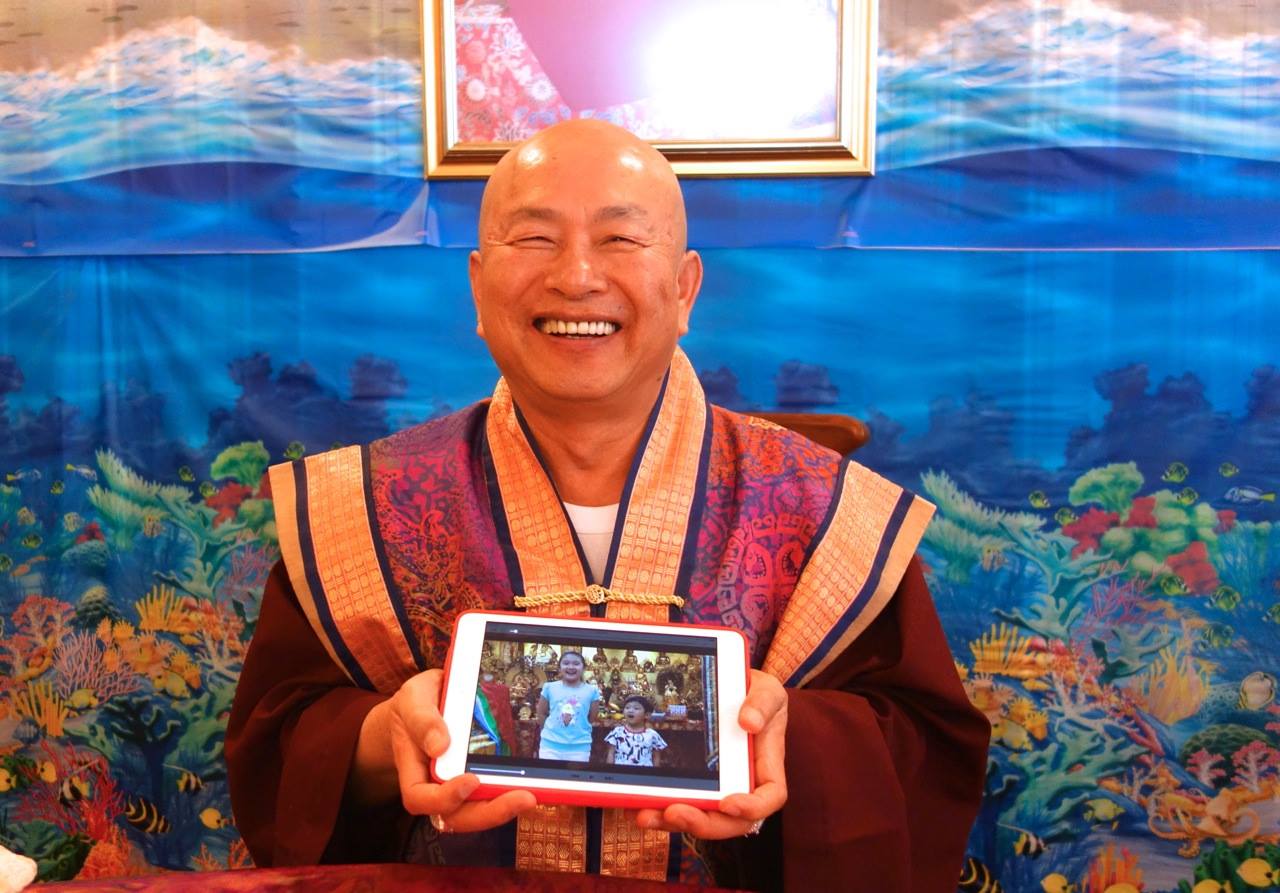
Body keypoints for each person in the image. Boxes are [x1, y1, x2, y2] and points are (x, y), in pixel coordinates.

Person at [226, 118, 990, 890]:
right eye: (535, 238)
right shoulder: (363, 508)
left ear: (685, 288)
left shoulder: (820, 509)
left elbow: (925, 757)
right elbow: (277, 748)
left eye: (620, 238)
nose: (577, 276)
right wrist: (380, 735)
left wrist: (786, 739)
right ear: (478, 287)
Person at [534, 651, 600, 761]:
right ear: (559, 667)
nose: (571, 667)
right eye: (566, 663)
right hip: (550, 747)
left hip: (580, 748)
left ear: (584, 668)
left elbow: (591, 717)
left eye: (576, 663)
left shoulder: (592, 690)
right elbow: (541, 713)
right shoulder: (549, 687)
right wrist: (552, 732)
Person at [604, 696, 666, 768]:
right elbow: (611, 753)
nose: (630, 710)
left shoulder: (652, 735)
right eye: (627, 708)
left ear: (647, 715)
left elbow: (656, 757)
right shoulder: (617, 732)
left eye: (636, 708)